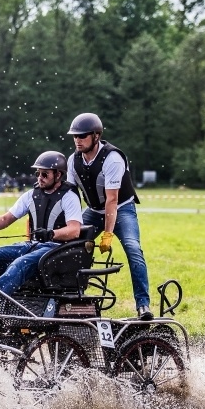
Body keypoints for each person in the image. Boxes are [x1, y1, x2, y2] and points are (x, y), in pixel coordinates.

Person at [65, 113, 153, 320]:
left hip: (121, 209)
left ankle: (143, 305)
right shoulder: (73, 160)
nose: (77, 140)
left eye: (82, 136)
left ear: (96, 136)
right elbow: (70, 195)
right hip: (94, 211)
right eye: (75, 136)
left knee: (133, 248)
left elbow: (111, 200)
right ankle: (69, 299)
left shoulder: (112, 158)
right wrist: (69, 227)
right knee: (66, 248)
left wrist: (107, 234)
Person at [0, 151, 82, 297]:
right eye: (38, 173)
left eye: (45, 174)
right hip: (33, 246)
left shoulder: (69, 197)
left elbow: (74, 230)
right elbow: (6, 219)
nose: (40, 178)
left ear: (58, 175)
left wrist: (51, 234)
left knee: (20, 264)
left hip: (56, 249)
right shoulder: (31, 195)